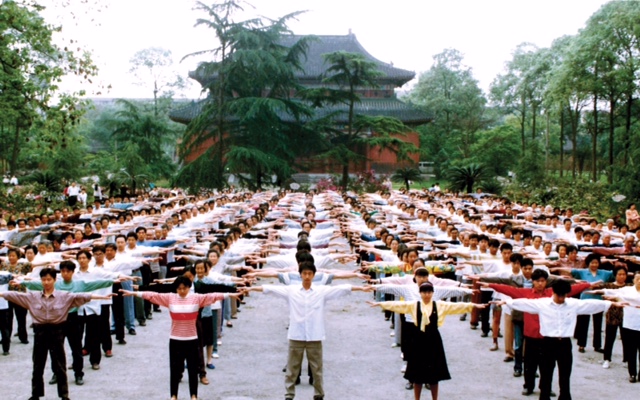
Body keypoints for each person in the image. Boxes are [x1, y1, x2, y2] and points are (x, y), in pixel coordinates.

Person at [245, 260, 370, 400]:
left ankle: (319, 394)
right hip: (296, 334)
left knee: (317, 369)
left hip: (315, 335)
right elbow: (269, 289)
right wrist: (250, 289)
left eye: (310, 274)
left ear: (313, 275)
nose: (307, 276)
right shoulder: (291, 291)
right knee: (292, 369)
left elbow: (342, 288)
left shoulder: (321, 291)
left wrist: (361, 289)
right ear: (300, 275)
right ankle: (289, 395)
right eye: (304, 273)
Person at [120, 275, 241, 400]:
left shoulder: (197, 298)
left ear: (189, 287)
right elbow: (153, 295)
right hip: (175, 339)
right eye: (179, 288)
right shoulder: (170, 298)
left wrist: (230, 294)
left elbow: (213, 296)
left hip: (192, 339)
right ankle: (174, 396)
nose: (182, 291)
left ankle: (194, 395)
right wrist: (133, 293)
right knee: (175, 369)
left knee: (193, 369)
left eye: (184, 288)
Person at [0, 268, 112, 400]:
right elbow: (12, 295)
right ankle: (35, 395)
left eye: (49, 279)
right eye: (44, 280)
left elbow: (82, 296)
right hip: (40, 333)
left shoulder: (64, 296)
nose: (46, 282)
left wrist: (103, 297)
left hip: (57, 332)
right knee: (38, 366)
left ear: (54, 280)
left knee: (60, 366)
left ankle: (64, 395)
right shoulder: (32, 297)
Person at [504, 280, 625, 400]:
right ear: (553, 293)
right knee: (546, 375)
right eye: (559, 295)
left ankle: (565, 397)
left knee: (565, 375)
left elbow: (590, 304)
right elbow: (524, 303)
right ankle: (544, 396)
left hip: (565, 344)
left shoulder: (572, 304)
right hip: (548, 343)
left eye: (564, 295)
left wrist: (611, 304)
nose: (562, 298)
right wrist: (506, 302)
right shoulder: (542, 304)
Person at [368, 281, 485, 400]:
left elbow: (457, 306)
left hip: (433, 341)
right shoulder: (414, 305)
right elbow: (397, 305)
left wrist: (474, 305)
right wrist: (380, 304)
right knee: (417, 375)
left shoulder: (439, 305)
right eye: (424, 292)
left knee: (434, 375)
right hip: (418, 340)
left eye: (429, 292)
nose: (427, 295)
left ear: (433, 293)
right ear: (420, 293)